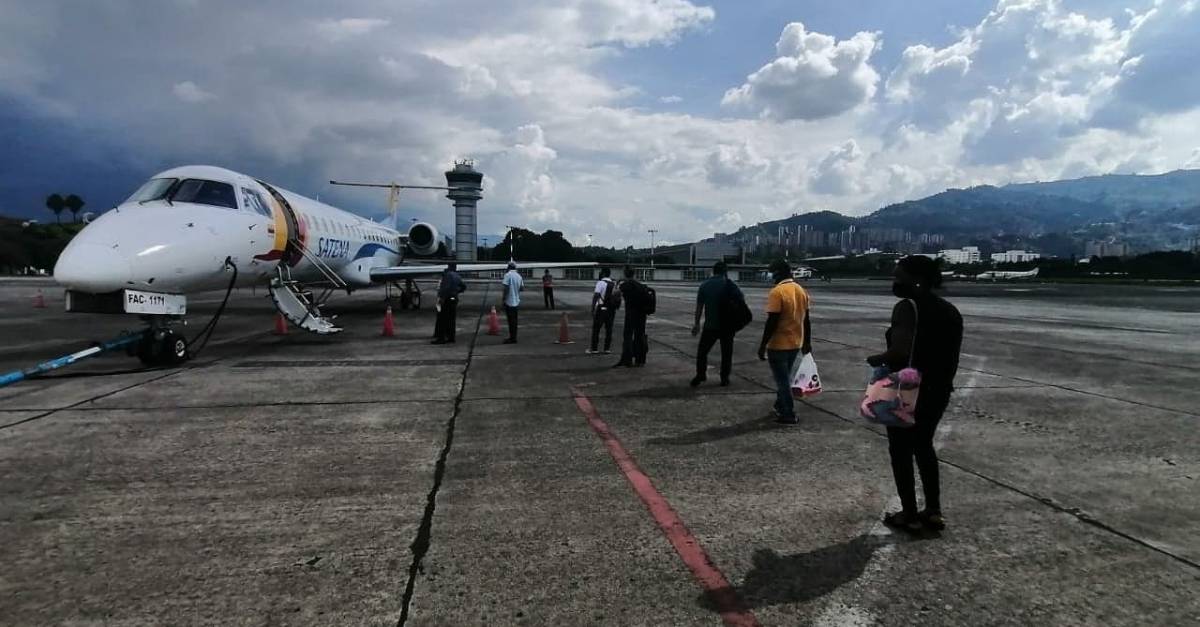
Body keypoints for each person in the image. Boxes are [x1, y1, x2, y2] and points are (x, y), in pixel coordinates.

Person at [867, 255, 963, 533]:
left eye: (899, 277)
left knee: (899, 449)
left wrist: (877, 358)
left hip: (907, 386)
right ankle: (933, 510)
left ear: (915, 279)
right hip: (939, 388)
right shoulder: (950, 311)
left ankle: (908, 513)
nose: (895, 282)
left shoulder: (906, 307)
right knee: (924, 446)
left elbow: (899, 351)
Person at [757, 260, 811, 425]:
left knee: (783, 381)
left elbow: (772, 320)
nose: (771, 275)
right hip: (796, 343)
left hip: (779, 344)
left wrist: (762, 344)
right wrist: (807, 342)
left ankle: (788, 413)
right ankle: (780, 405)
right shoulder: (801, 291)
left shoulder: (777, 292)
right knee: (785, 377)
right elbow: (806, 320)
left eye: (773, 272)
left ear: (779, 273)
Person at [692, 261, 744, 387]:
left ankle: (700, 375)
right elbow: (741, 304)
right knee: (726, 353)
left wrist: (697, 324)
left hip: (710, 326)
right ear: (725, 272)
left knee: (702, 352)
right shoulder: (731, 285)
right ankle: (724, 378)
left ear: (713, 271)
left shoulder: (705, 285)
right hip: (727, 326)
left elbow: (699, 307)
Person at [614, 266, 649, 368]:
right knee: (640, 336)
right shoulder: (641, 285)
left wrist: (618, 283)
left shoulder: (626, 285)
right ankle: (640, 360)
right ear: (634, 274)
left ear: (625, 274)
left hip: (631, 314)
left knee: (628, 337)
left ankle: (627, 359)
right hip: (642, 314)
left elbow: (616, 294)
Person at [432, 263, 466, 344]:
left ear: (449, 267)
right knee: (451, 319)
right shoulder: (457, 276)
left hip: (447, 299)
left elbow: (445, 288)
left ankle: (441, 338)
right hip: (454, 299)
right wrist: (457, 292)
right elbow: (464, 286)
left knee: (443, 319)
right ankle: (451, 337)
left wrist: (441, 298)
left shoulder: (447, 275)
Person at [588, 268, 619, 355]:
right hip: (611, 310)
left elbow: (596, 295)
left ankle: (594, 349)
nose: (600, 273)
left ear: (604, 273)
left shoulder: (600, 283)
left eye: (601, 272)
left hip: (601, 309)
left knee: (596, 329)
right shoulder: (614, 284)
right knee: (609, 330)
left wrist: (593, 308)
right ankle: (607, 349)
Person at [500, 262, 523, 344]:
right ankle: (514, 337)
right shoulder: (519, 276)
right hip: (516, 302)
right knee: (515, 321)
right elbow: (522, 288)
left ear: (508, 267)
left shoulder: (507, 275)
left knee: (510, 321)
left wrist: (503, 299)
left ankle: (512, 338)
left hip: (509, 302)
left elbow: (506, 288)